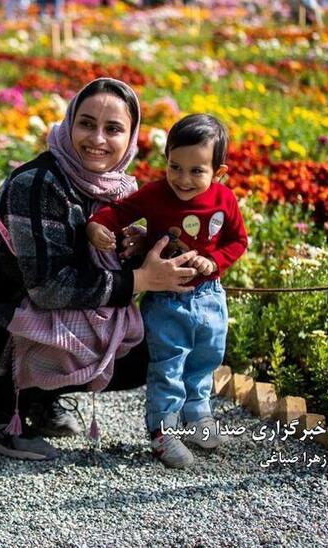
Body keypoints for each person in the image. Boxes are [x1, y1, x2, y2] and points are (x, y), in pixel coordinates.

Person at [0, 78, 201, 461]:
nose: (97, 139)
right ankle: (5, 417)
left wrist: (139, 248)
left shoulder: (114, 188)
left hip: (16, 312)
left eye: (113, 129)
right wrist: (140, 279)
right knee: (117, 336)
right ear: (69, 124)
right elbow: (49, 289)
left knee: (148, 342)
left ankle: (39, 398)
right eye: (86, 124)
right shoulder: (39, 185)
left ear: (131, 136)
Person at [88, 114, 247, 468]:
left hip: (209, 296)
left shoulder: (224, 200)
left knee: (207, 357)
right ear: (167, 160)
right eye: (176, 167)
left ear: (218, 172)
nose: (183, 179)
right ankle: (163, 433)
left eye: (196, 171)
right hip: (166, 298)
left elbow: (238, 240)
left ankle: (197, 417)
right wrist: (97, 226)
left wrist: (215, 261)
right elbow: (119, 211)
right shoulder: (157, 194)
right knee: (168, 365)